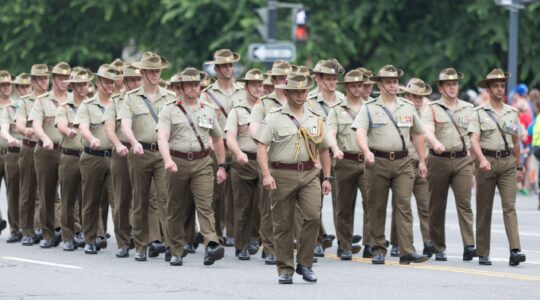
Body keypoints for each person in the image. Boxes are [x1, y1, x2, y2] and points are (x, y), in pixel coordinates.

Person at [254, 73, 332, 284]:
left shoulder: (315, 117)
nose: (300, 95)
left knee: (313, 217)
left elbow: (323, 149)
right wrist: (267, 174)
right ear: (286, 92)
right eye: (295, 91)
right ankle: (285, 268)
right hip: (282, 174)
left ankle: (305, 263)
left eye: (303, 91)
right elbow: (261, 146)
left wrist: (327, 177)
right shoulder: (274, 116)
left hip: (309, 173)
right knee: (282, 224)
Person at [352, 65, 429, 265]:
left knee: (403, 205)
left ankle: (406, 250)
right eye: (388, 82)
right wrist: (366, 150)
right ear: (380, 84)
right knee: (377, 206)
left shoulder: (407, 106)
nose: (393, 85)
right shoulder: (369, 108)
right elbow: (360, 131)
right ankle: (378, 248)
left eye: (395, 81)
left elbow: (418, 134)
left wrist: (421, 160)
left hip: (404, 162)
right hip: (378, 161)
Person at [157, 67, 227, 266]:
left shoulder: (208, 109)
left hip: (202, 162)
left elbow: (217, 138)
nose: (193, 88)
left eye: (196, 85)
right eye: (189, 85)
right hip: (176, 162)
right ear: (181, 87)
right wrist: (167, 159)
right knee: (175, 207)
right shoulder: (169, 109)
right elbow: (162, 137)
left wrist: (222, 166)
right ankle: (175, 249)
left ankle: (211, 244)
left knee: (205, 205)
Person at [119, 52, 175, 261]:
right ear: (142, 72)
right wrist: (133, 143)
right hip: (140, 152)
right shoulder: (131, 98)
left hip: (162, 154)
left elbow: (177, 125)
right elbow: (125, 125)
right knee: (140, 200)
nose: (155, 74)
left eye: (157, 71)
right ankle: (141, 244)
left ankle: (171, 245)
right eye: (150, 71)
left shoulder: (170, 97)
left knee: (166, 199)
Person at [469, 69, 526, 266]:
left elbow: (516, 141)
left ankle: (515, 250)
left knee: (509, 207)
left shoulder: (512, 112)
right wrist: (481, 159)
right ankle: (483, 252)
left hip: (508, 162)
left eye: (502, 85)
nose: (500, 89)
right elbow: (473, 140)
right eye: (496, 86)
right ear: (488, 88)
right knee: (484, 209)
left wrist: (519, 166)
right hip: (487, 163)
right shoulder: (479, 113)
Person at [422, 68, 477, 262]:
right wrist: (435, 141)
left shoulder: (469, 108)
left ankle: (469, 245)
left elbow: (474, 135)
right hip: (439, 160)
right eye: (448, 85)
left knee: (465, 203)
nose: (452, 88)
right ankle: (438, 246)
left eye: (455, 84)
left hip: (462, 159)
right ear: (441, 87)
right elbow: (427, 130)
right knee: (437, 204)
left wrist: (477, 159)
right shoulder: (432, 108)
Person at [248, 60, 294, 265]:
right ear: (273, 81)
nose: (283, 82)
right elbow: (254, 127)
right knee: (269, 206)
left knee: (296, 207)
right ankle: (269, 247)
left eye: (287, 78)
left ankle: (291, 245)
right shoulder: (264, 103)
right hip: (271, 158)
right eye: (279, 79)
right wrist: (263, 146)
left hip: (295, 160)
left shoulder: (302, 101)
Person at [201, 49, 246, 246]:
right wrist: (209, 142)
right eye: (224, 66)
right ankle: (216, 233)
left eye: (231, 65)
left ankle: (234, 232)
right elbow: (204, 122)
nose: (229, 69)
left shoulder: (243, 91)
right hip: (217, 145)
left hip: (238, 146)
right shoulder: (207, 94)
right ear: (216, 69)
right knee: (216, 194)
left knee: (238, 192)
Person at [75, 64, 119, 254]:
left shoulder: (120, 103)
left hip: (115, 157)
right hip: (93, 157)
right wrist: (92, 138)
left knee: (118, 200)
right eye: (107, 82)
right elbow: (83, 127)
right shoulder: (87, 105)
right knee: (91, 201)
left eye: (113, 82)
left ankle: (124, 243)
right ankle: (90, 239)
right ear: (98, 82)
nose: (110, 85)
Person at [388, 78, 434, 257]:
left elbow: (428, 132)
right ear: (407, 95)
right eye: (415, 96)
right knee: (402, 205)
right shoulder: (399, 111)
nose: (418, 100)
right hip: (403, 164)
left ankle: (428, 242)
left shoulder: (427, 112)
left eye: (421, 97)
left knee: (425, 205)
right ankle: (396, 242)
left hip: (421, 165)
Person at [327, 69, 368, 260]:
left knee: (372, 204)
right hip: (345, 161)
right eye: (353, 85)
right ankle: (345, 245)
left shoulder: (370, 108)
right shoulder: (337, 110)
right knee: (343, 206)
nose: (357, 89)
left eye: (360, 85)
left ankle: (371, 243)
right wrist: (335, 149)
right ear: (347, 87)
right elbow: (331, 134)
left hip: (367, 162)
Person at [29, 62, 72, 248]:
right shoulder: (42, 101)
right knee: (47, 192)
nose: (63, 81)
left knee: (71, 193)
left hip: (68, 151)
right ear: (53, 79)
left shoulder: (74, 99)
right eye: (60, 78)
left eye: (66, 78)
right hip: (47, 151)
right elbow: (36, 125)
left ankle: (69, 232)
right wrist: (45, 138)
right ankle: (48, 233)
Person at [225, 68, 264, 260]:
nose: (258, 88)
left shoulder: (269, 109)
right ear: (246, 86)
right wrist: (238, 153)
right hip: (243, 161)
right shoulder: (237, 111)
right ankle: (241, 244)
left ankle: (263, 242)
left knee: (264, 205)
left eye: (260, 85)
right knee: (242, 205)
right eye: (254, 85)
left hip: (264, 160)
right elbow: (230, 138)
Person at [104, 63, 142, 258]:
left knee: (145, 198)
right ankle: (123, 241)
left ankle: (143, 237)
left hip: (145, 153)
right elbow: (109, 128)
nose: (135, 83)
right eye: (132, 80)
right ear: (125, 82)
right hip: (122, 153)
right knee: (122, 198)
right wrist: (118, 144)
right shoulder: (116, 102)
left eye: (138, 79)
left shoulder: (148, 100)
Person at [55, 69, 92, 251]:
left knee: (88, 198)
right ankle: (67, 236)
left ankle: (86, 234)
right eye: (80, 84)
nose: (83, 88)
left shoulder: (92, 106)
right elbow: (61, 124)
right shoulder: (64, 107)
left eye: (86, 84)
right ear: (74, 86)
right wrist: (67, 131)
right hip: (69, 156)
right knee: (68, 198)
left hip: (88, 156)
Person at [16, 64, 49, 246]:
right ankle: (27, 230)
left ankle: (45, 229)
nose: (45, 82)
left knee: (46, 191)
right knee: (28, 190)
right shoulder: (25, 102)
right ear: (34, 81)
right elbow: (19, 124)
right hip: (30, 147)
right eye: (41, 79)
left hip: (49, 149)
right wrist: (26, 130)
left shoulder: (52, 100)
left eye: (46, 78)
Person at [0, 70, 20, 242]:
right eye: (3, 85)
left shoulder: (17, 105)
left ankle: (16, 229)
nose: (6, 88)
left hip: (11, 152)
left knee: (13, 192)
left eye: (8, 84)